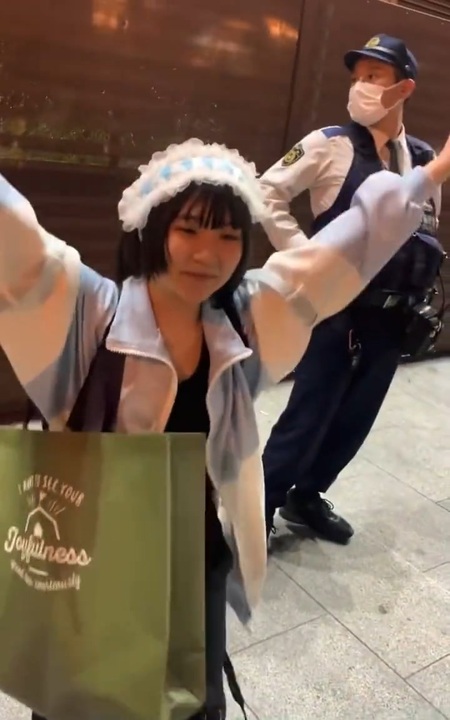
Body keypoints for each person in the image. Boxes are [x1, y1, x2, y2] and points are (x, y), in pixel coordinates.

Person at [1, 135, 449, 719]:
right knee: (82, 697)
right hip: (90, 551)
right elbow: (16, 243)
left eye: (228, 236)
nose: (207, 254)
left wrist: (431, 173)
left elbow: (335, 254)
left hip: (192, 550)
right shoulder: (90, 315)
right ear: (152, 229)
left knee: (193, 699)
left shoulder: (242, 321)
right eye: (188, 229)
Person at [261, 34, 445, 545]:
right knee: (308, 414)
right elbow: (267, 191)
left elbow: (423, 229)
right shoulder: (329, 144)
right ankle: (262, 502)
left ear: (403, 88)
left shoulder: (424, 159)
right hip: (336, 310)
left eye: (373, 76)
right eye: (357, 76)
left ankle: (307, 496)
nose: (359, 86)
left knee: (355, 418)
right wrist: (304, 256)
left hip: (391, 316)